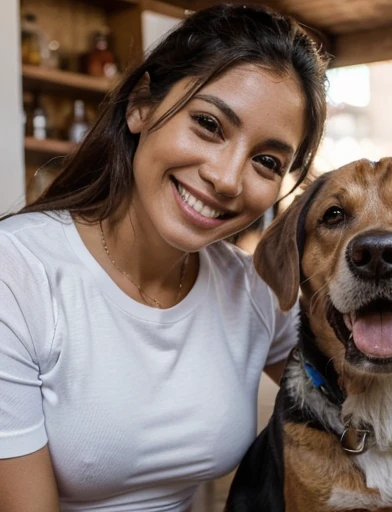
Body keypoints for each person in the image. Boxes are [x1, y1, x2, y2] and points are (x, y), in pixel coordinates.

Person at [0, 4, 329, 511]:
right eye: (208, 124)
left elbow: (357, 400)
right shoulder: (18, 273)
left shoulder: (254, 290)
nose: (226, 177)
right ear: (141, 106)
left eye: (267, 161)